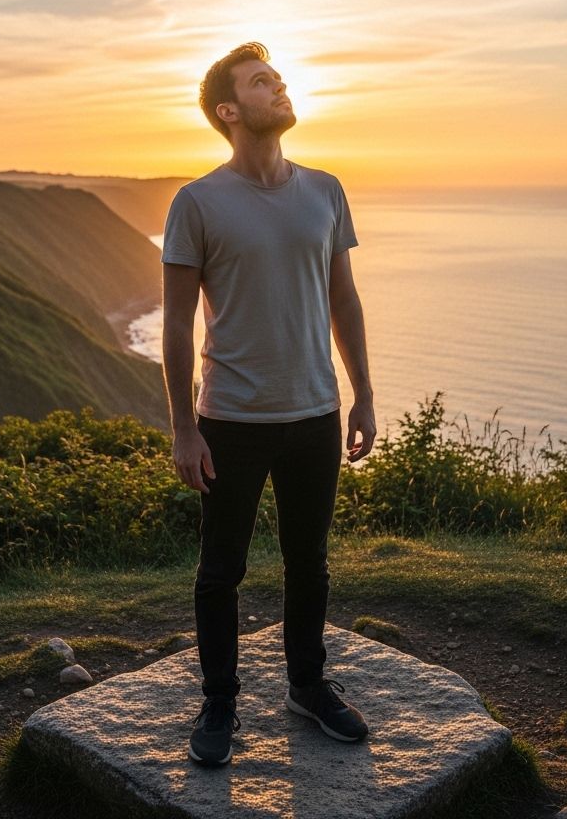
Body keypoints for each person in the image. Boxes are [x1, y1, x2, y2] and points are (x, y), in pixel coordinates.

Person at [161, 42, 376, 766]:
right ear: (229, 111)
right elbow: (175, 323)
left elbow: (343, 298)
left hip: (315, 413)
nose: (278, 86)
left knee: (308, 563)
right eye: (261, 81)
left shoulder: (325, 189)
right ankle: (220, 703)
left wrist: (363, 395)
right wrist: (183, 428)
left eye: (279, 78)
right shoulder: (196, 202)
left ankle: (307, 687)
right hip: (230, 421)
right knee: (220, 573)